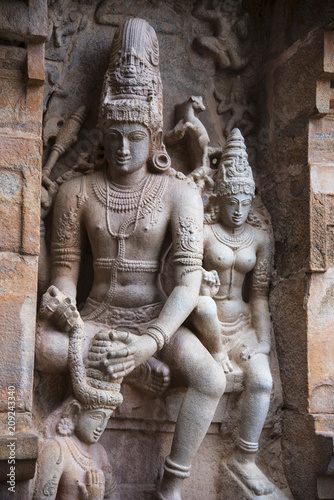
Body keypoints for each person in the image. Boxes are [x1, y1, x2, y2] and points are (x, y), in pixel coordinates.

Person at [36, 18, 226, 500]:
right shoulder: (76, 193)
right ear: (102, 128)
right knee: (38, 347)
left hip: (154, 323)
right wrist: (64, 309)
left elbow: (186, 283)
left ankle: (173, 484)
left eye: (135, 136)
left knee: (209, 377)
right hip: (96, 322)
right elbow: (64, 278)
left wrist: (148, 344)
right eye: (114, 134)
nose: (123, 148)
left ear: (155, 135)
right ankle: (130, 375)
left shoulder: (178, 193)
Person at [192, 128, 275, 496]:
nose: (238, 209)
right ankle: (215, 355)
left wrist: (263, 342)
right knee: (204, 305)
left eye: (245, 201)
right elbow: (178, 279)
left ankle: (246, 459)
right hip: (205, 324)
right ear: (219, 198)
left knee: (263, 381)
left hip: (241, 324)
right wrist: (201, 283)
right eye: (231, 201)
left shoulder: (260, 240)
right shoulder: (204, 231)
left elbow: (258, 296)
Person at [32, 398, 119, 500]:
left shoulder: (100, 452)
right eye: (96, 417)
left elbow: (112, 496)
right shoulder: (57, 449)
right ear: (75, 412)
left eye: (107, 419)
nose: (101, 427)